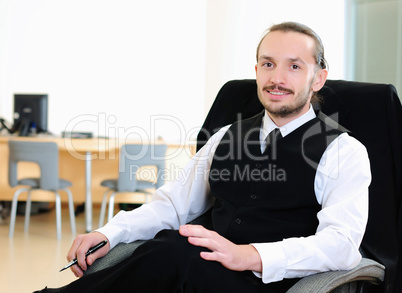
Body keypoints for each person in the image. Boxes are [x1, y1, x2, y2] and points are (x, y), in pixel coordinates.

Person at [34, 22, 371, 293]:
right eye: (268, 64)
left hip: (270, 281)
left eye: (294, 67)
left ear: (318, 79)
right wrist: (109, 232)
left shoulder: (343, 151)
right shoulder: (225, 136)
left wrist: (250, 255)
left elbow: (341, 245)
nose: (277, 78)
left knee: (177, 254)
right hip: (202, 267)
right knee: (171, 246)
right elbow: (172, 206)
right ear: (256, 70)